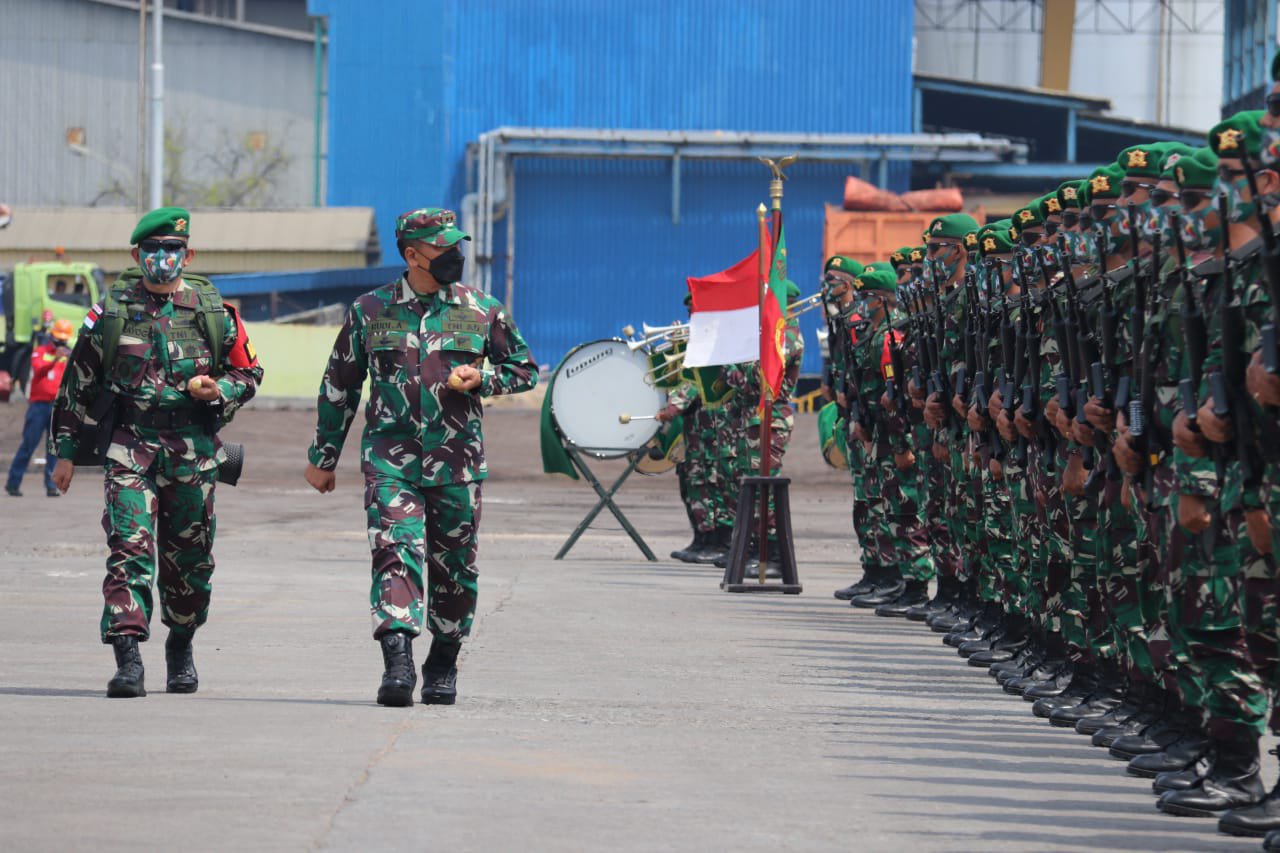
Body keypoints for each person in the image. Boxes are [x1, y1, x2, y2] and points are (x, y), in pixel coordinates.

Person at [304, 207, 538, 708]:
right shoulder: (370, 310)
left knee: (456, 569)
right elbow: (339, 387)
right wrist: (324, 458)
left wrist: (486, 380)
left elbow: (524, 369)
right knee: (395, 552)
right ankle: (398, 664)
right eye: (443, 247)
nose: (456, 254)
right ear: (412, 255)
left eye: (458, 244)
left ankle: (442, 663)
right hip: (391, 458)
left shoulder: (482, 309)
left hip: (458, 462)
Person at [49, 206, 263, 698]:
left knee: (190, 560)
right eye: (153, 250)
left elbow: (250, 374)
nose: (162, 258)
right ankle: (128, 658)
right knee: (129, 548)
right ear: (136, 254)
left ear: (187, 255)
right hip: (130, 449)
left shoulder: (214, 314)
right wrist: (63, 453)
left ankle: (181, 645)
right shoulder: (113, 313)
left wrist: (218, 392)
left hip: (194, 452)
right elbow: (74, 386)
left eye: (172, 250)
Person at [6, 318, 73, 497]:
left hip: (57, 407)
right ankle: (13, 482)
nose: (61, 343)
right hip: (39, 406)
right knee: (28, 445)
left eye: (63, 340)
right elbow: (38, 369)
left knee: (53, 449)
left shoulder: (68, 355)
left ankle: (51, 486)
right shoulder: (40, 352)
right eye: (58, 339)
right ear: (52, 336)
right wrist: (54, 359)